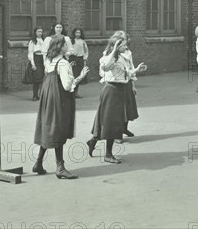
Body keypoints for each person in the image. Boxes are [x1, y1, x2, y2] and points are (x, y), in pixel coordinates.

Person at [33, 36, 89, 179]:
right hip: (59, 99)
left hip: (47, 99)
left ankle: (38, 163)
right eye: (66, 45)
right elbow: (67, 86)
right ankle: (60, 167)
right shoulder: (63, 63)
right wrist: (80, 77)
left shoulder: (49, 61)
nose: (68, 47)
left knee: (49, 128)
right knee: (58, 129)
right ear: (60, 47)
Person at [87, 32, 132, 163]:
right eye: (123, 44)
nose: (126, 46)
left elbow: (126, 73)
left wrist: (135, 71)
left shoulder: (122, 57)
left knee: (109, 120)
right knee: (111, 122)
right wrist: (113, 51)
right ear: (116, 46)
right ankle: (108, 154)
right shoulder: (109, 57)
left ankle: (93, 141)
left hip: (119, 90)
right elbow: (105, 67)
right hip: (111, 90)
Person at [69, 27, 89, 99]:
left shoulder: (82, 41)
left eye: (79, 33)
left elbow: (86, 51)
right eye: (76, 33)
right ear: (74, 33)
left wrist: (85, 59)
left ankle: (76, 92)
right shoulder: (71, 41)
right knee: (72, 75)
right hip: (72, 58)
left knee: (78, 76)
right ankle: (70, 92)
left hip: (80, 59)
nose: (78, 34)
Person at [27, 27, 46, 101]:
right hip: (36, 58)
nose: (40, 33)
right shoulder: (32, 41)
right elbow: (30, 52)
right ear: (35, 32)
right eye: (38, 32)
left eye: (41, 32)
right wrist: (33, 63)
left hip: (43, 58)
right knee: (37, 79)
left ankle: (40, 95)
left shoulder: (44, 40)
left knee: (43, 78)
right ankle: (35, 95)